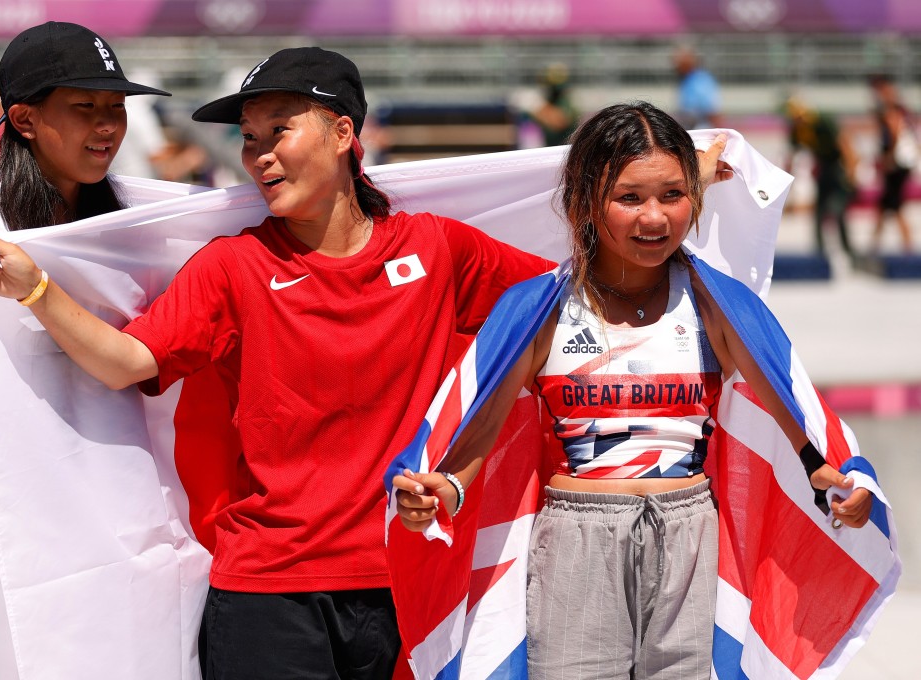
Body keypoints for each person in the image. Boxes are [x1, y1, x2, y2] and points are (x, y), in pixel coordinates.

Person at [0, 46, 555, 679]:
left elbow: (556, 312)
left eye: (279, 130)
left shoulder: (438, 248)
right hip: (267, 593)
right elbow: (127, 362)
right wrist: (37, 290)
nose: (259, 154)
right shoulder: (232, 266)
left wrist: (464, 460)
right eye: (248, 138)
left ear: (342, 133)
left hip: (411, 583)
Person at [391, 101, 874, 680]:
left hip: (691, 541)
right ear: (585, 202)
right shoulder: (541, 309)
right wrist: (439, 490)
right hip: (577, 543)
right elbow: (473, 432)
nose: (655, 219)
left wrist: (833, 476)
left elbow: (796, 413)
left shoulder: (715, 305)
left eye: (673, 195)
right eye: (629, 198)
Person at [0, 21, 170, 679]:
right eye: (85, 108)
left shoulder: (146, 235)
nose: (107, 127)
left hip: (121, 555)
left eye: (116, 109)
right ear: (23, 118)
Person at [783, 95, 859, 260]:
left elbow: (844, 144)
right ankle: (819, 253)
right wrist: (785, 183)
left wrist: (851, 172)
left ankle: (847, 250)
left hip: (838, 167)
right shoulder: (797, 130)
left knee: (837, 209)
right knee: (819, 210)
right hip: (823, 167)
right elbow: (791, 156)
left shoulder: (822, 122)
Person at [868, 74, 915, 253]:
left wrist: (889, 157)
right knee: (886, 204)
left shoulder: (891, 109)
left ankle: (907, 247)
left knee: (895, 205)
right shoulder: (897, 108)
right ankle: (875, 245)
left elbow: (894, 132)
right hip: (900, 162)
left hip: (897, 164)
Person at [673, 46, 721, 130]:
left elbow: (710, 109)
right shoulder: (686, 79)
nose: (676, 65)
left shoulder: (700, 79)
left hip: (701, 128)